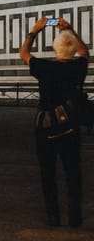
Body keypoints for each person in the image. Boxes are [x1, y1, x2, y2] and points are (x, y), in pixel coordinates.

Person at [20, 15, 90, 228]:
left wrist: (35, 30)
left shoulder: (44, 68)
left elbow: (23, 53)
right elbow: (85, 53)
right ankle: (75, 216)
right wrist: (70, 30)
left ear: (55, 50)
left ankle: (53, 216)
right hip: (70, 128)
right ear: (72, 50)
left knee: (47, 175)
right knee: (73, 173)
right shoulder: (78, 68)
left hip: (46, 130)